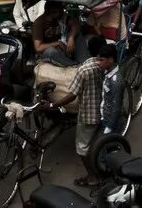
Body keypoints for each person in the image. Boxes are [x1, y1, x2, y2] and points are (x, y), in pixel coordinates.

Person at [44, 43, 115, 188]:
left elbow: (72, 95)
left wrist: (53, 105)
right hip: (103, 111)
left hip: (89, 113)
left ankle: (93, 177)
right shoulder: (107, 69)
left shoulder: (84, 70)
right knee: (99, 142)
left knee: (82, 148)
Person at [32, 0, 78, 66]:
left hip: (63, 49)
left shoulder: (61, 17)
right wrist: (57, 43)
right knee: (51, 51)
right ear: (52, 12)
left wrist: (71, 38)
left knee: (78, 36)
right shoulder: (39, 23)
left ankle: (84, 60)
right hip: (47, 53)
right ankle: (73, 65)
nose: (62, 13)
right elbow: (38, 48)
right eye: (59, 12)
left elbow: (75, 24)